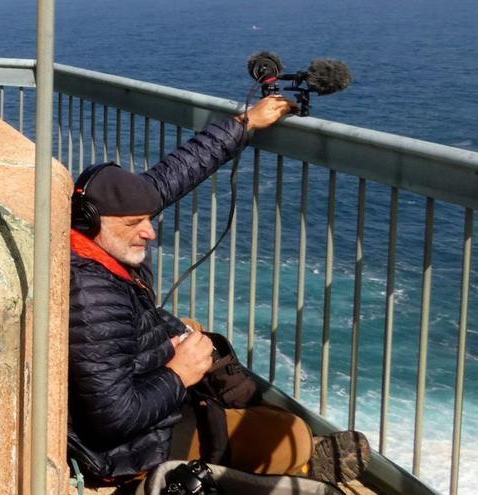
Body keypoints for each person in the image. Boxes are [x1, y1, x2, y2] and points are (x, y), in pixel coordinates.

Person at [67, 95, 368, 489]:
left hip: (142, 380)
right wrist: (179, 372)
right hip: (127, 451)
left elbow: (174, 173)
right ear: (92, 221)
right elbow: (113, 417)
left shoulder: (92, 238)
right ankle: (303, 460)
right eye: (134, 223)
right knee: (288, 434)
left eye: (149, 218)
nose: (150, 232)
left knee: (209, 348)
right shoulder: (91, 297)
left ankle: (288, 447)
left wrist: (247, 123)